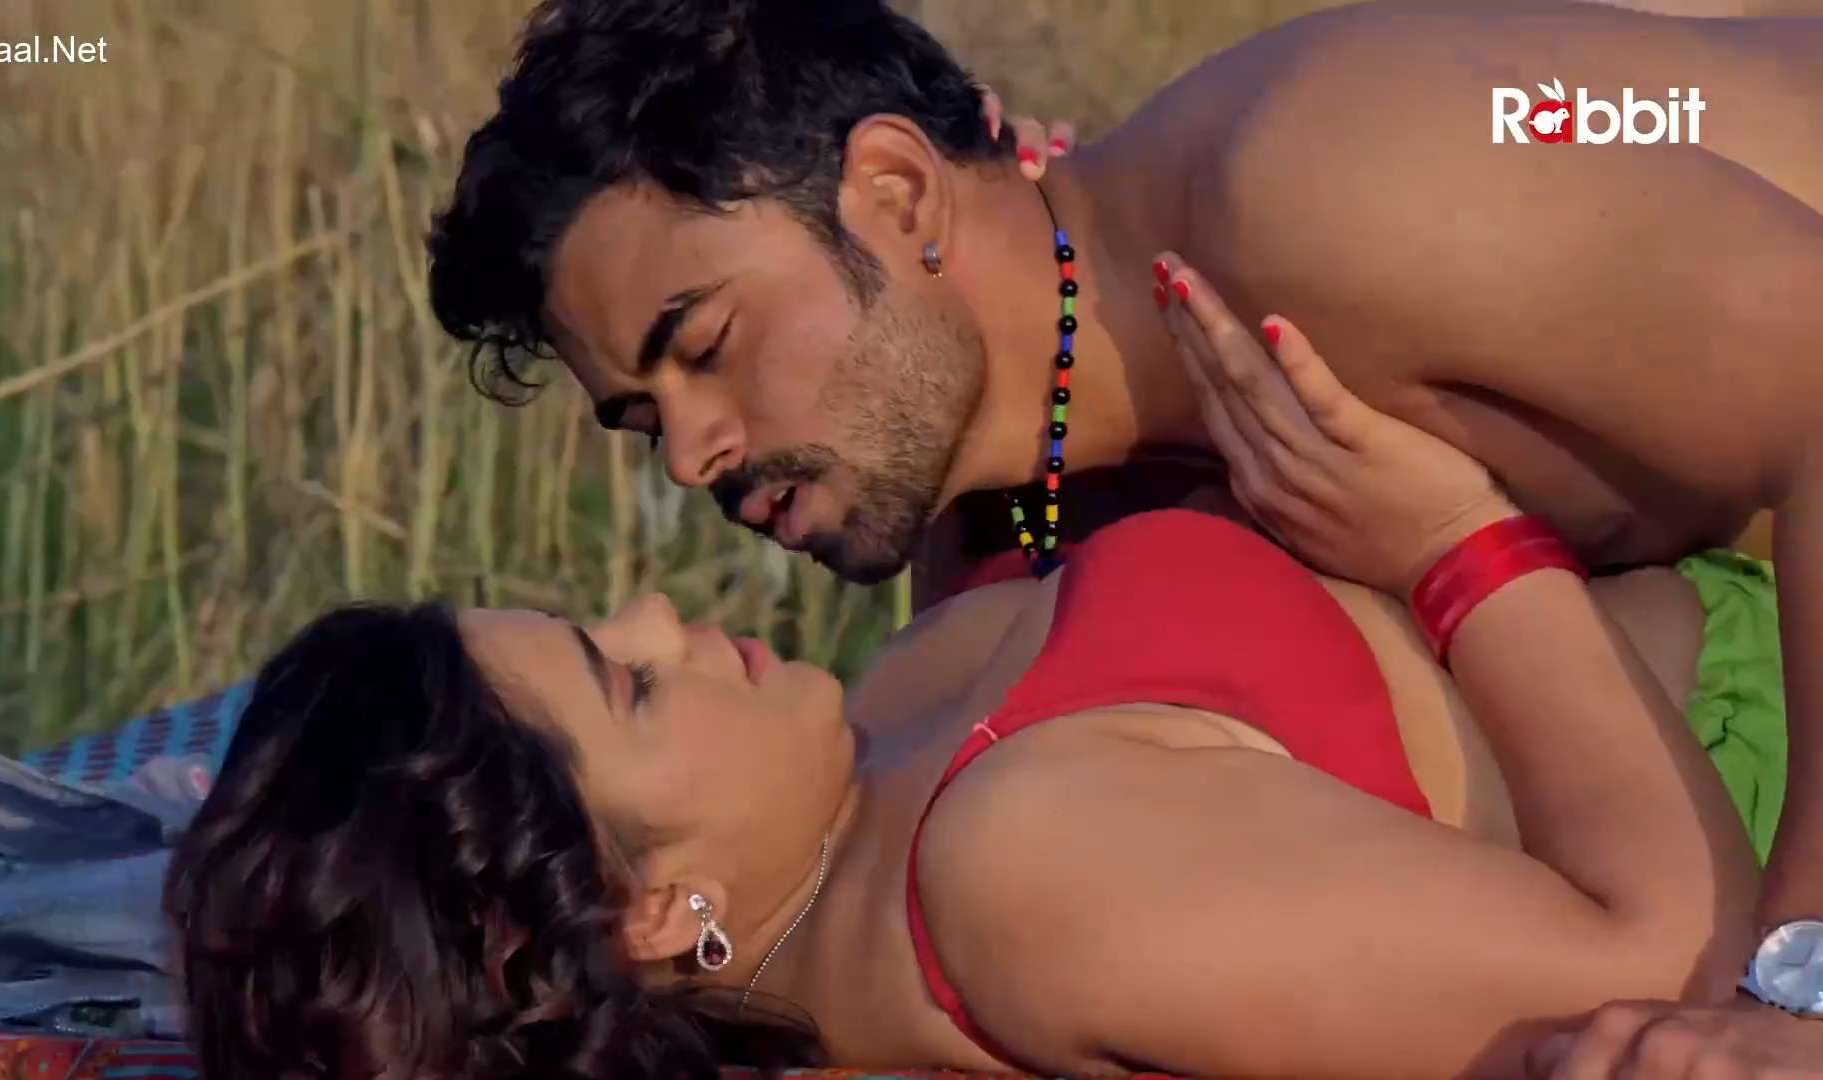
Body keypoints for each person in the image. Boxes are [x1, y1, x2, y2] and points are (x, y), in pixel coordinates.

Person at [425, 2, 1823, 1071]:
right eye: (640, 418)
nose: (690, 456)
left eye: (705, 346)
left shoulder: (1314, 199)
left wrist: (1798, 989)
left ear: (897, 193)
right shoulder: (1006, 513)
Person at [169, 315, 1782, 1077]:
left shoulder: (873, 758)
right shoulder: (1029, 884)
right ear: (653, 914)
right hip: (1766, 781)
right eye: (629, 684)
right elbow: (1676, 973)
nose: (666, 615)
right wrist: (1456, 548)